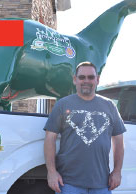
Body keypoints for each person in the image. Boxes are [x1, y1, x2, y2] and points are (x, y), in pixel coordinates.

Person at [43, 61, 126, 194]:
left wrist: (117, 171)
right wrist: (51, 172)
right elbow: (49, 139)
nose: (86, 80)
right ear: (75, 80)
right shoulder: (63, 105)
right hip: (68, 183)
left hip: (102, 184)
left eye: (91, 77)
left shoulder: (110, 106)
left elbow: (119, 142)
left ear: (97, 79)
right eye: (82, 77)